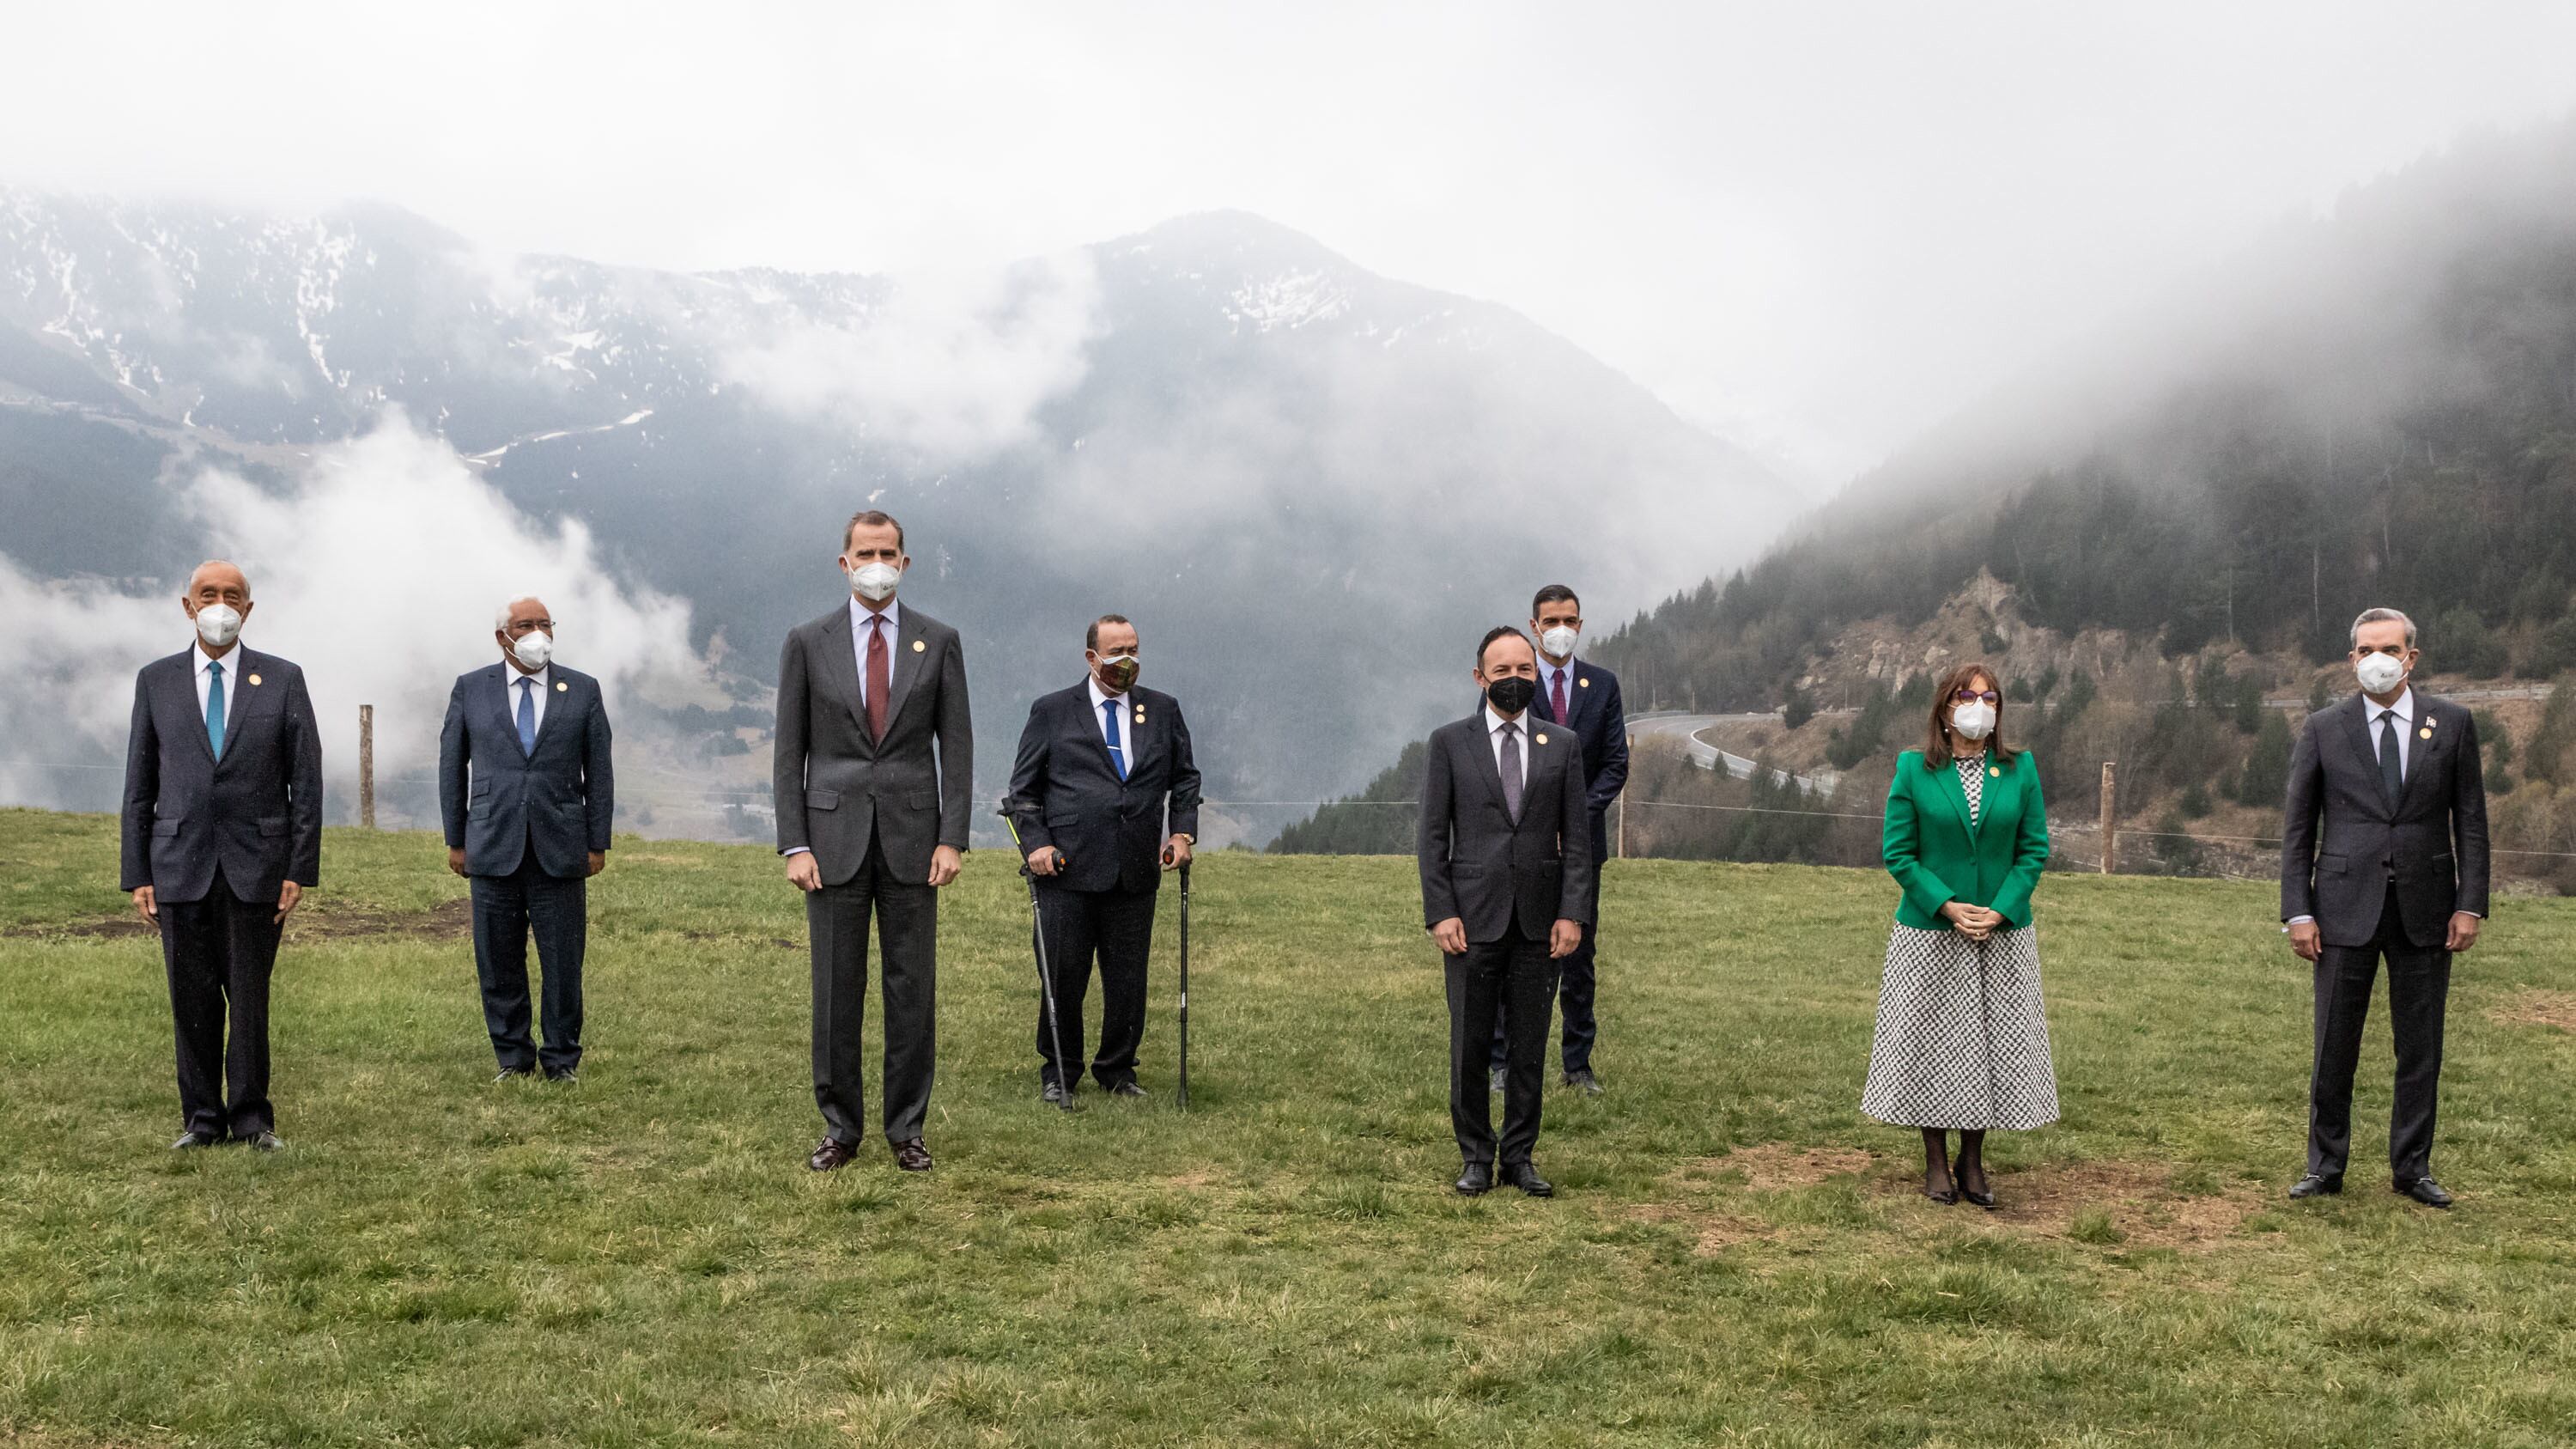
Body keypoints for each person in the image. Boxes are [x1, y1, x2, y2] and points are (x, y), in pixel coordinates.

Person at [775, 509, 973, 1172]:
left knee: (911, 990)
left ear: (905, 562)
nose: (877, 564)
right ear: (845, 562)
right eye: (866, 552)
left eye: (888, 552)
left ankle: (907, 1128)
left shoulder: (938, 641)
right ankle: (840, 1127)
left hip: (915, 840)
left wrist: (952, 837)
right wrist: (794, 843)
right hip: (830, 841)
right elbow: (788, 753)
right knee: (836, 990)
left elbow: (958, 748)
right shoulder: (808, 642)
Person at [2281, 607, 2488, 1209]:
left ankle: (2412, 1167)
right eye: (2367, 649)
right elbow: (2298, 827)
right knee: (2334, 1044)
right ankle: (2325, 1165)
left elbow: (2471, 822)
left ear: (2411, 657)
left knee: (2420, 1046)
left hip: (2427, 908)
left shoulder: (2452, 724)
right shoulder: (2324, 728)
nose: (2378, 659)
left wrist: (2470, 904)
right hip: (2341, 908)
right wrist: (2298, 911)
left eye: (2390, 649)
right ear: (2351, 659)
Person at [118, 560, 322, 1151]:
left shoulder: (282, 679)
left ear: (248, 609)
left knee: (250, 998)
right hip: (177, 863)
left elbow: (306, 780)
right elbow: (139, 784)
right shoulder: (156, 680)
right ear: (188, 605)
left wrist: (298, 867)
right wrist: (137, 872)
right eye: (208, 594)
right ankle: (201, 1119)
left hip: (257, 865)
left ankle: (253, 1118)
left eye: (233, 596)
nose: (220, 605)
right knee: (192, 999)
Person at [1861, 661, 2057, 1209]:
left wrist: (2001, 909)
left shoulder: (2019, 769)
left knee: (1988, 1046)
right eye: (1967, 697)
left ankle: (1972, 1160)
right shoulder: (1913, 769)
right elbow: (1898, 853)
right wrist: (1945, 904)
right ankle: (1934, 1160)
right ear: (1945, 708)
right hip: (1930, 934)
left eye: (1989, 698)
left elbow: (2033, 850)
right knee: (1932, 1045)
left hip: (1999, 935)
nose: (1979, 707)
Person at [1417, 626, 1592, 1197]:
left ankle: (1519, 1156)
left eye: (1523, 669)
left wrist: (1572, 913)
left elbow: (1578, 841)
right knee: (1469, 1045)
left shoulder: (1562, 745)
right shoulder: (1449, 743)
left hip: (1540, 922)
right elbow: (1431, 837)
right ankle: (1475, 1155)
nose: (1513, 679)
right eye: (1501, 671)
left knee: (1529, 1045)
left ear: (1535, 673)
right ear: (1480, 678)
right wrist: (1441, 911)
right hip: (1470, 920)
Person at [1003, 615, 1203, 1102]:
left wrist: (1181, 833)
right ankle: (1060, 1071)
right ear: (1092, 657)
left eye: (1133, 649)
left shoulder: (1163, 709)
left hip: (1135, 868)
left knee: (1128, 980)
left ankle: (1117, 1070)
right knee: (1063, 975)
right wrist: (1037, 844)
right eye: (1116, 652)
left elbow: (1185, 778)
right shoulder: (1052, 711)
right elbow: (1023, 791)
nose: (1127, 660)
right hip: (1066, 869)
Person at [438, 596, 613, 1083]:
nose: (538, 633)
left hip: (561, 845)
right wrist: (456, 838)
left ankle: (561, 1059)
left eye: (545, 624)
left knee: (563, 962)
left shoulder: (583, 689)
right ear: (503, 637)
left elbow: (599, 770)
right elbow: (451, 765)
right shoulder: (471, 688)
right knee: (498, 961)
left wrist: (597, 841)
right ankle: (512, 1057)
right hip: (492, 842)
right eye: (525, 625)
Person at [1491, 583, 1628, 1096]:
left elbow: (1615, 764)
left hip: (1580, 848)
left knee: (1578, 957)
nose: (1561, 630)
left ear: (1581, 624)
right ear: (1534, 626)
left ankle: (1578, 1064)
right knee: (1510, 949)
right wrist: (1534, 821)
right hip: (1521, 846)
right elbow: (1497, 757)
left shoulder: (1603, 685)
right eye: (1551, 621)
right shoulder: (1513, 683)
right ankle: (1502, 1062)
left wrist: (1572, 818)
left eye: (1569, 620)